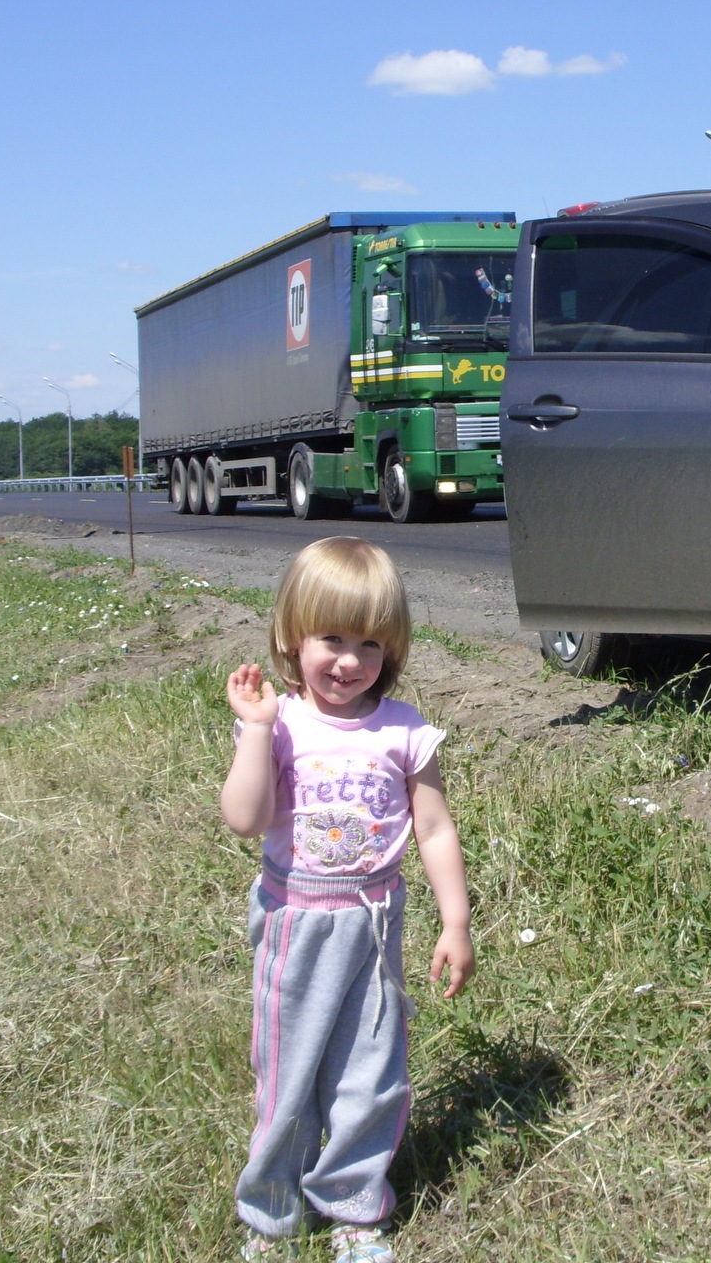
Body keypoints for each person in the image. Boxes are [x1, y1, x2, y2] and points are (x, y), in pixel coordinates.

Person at [222, 536, 474, 1262]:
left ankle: (356, 1206)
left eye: (369, 643)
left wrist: (454, 920)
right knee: (289, 1074)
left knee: (372, 1074)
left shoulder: (403, 731)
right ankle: (272, 1210)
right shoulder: (283, 725)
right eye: (331, 638)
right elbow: (243, 818)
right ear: (291, 638)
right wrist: (255, 731)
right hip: (294, 920)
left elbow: (432, 827)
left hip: (375, 924)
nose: (349, 660)